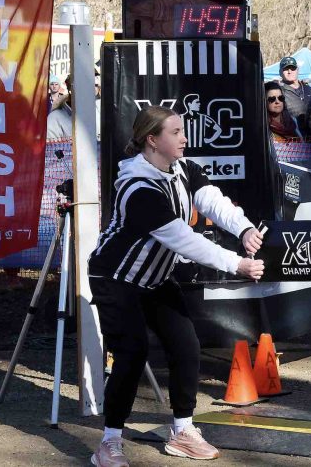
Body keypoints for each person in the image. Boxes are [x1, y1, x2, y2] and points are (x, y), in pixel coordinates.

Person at [87, 106, 264, 467]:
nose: (184, 138)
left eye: (182, 131)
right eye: (175, 132)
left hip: (155, 277)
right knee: (132, 353)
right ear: (152, 140)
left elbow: (213, 200)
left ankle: (182, 431)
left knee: (186, 346)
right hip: (116, 279)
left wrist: (244, 229)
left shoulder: (182, 168)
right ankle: (108, 442)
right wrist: (237, 263)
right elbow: (183, 239)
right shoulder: (137, 187)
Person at [276, 56, 311, 128]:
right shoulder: (278, 92)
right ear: (280, 72)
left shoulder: (308, 88)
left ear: (297, 70)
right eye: (286, 69)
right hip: (292, 135)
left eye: (293, 68)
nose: (289, 71)